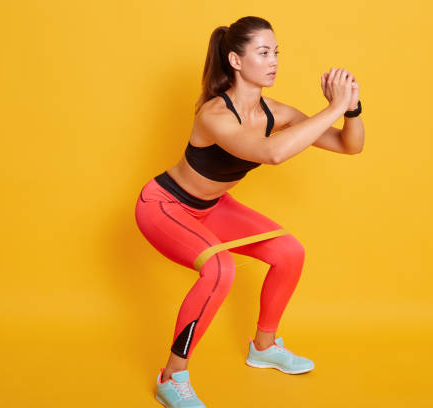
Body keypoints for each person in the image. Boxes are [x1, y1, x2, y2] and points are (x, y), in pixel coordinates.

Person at [135, 15, 364, 408]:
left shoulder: (275, 113)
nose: (274, 60)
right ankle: (171, 376)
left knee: (289, 251)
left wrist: (352, 109)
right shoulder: (214, 115)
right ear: (236, 61)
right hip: (165, 206)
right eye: (263, 52)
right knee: (220, 268)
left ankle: (264, 347)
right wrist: (333, 107)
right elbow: (271, 153)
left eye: (276, 52)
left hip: (212, 208)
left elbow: (349, 145)